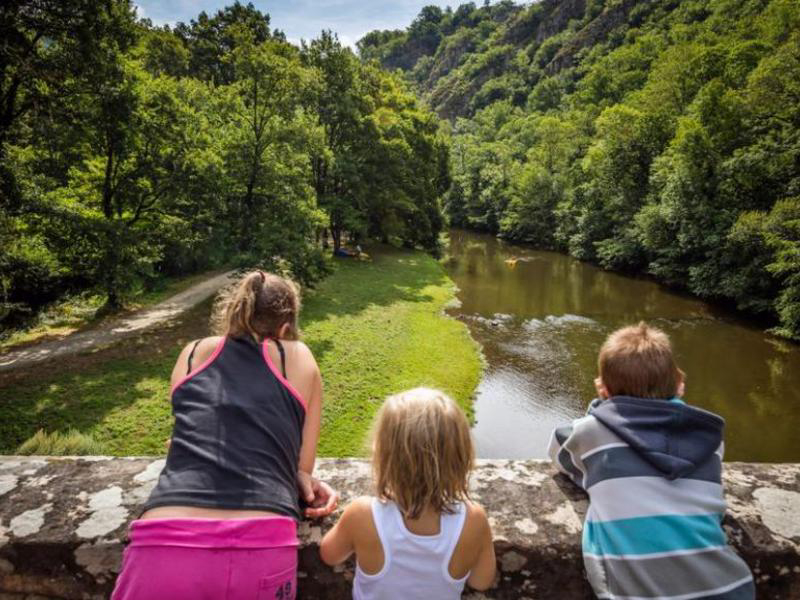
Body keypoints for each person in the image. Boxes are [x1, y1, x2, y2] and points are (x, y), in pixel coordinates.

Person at [112, 271, 338, 600]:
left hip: (165, 540)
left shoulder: (191, 354)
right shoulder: (298, 356)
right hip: (263, 542)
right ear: (285, 328)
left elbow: (190, 428)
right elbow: (301, 464)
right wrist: (302, 475)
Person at [549, 322, 754, 600]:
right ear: (680, 383)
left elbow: (559, 453)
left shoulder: (592, 433)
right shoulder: (710, 438)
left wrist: (600, 409)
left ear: (603, 388)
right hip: (731, 587)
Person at [319, 387, 496, 599]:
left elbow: (329, 555)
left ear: (385, 456)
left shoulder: (363, 514)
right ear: (460, 456)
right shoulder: (473, 520)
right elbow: (481, 581)